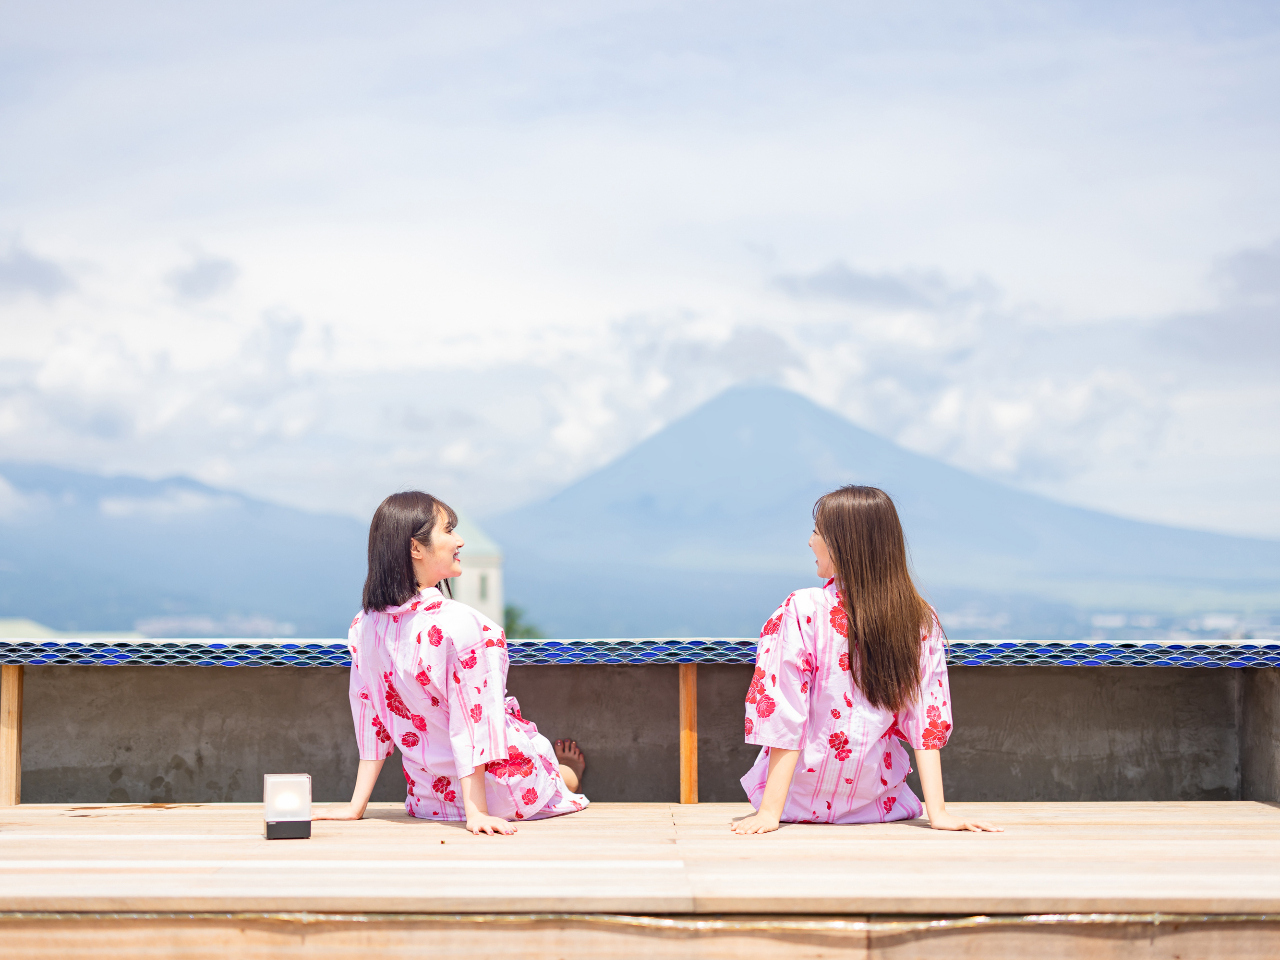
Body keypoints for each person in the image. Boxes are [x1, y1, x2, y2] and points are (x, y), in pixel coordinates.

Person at [315, 491, 588, 835]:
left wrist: (357, 806)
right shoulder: (462, 624)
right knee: (545, 764)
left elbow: (371, 716)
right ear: (416, 548)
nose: (459, 541)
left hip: (431, 799)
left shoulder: (364, 626)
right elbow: (474, 723)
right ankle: (565, 776)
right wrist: (477, 814)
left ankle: (556, 776)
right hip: (505, 794)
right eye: (448, 530)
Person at [733, 485, 1000, 835]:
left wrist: (769, 812)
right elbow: (926, 718)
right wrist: (939, 814)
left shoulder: (803, 609)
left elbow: (784, 711)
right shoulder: (919, 619)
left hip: (795, 805)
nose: (810, 541)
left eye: (817, 531)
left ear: (844, 543)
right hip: (879, 805)